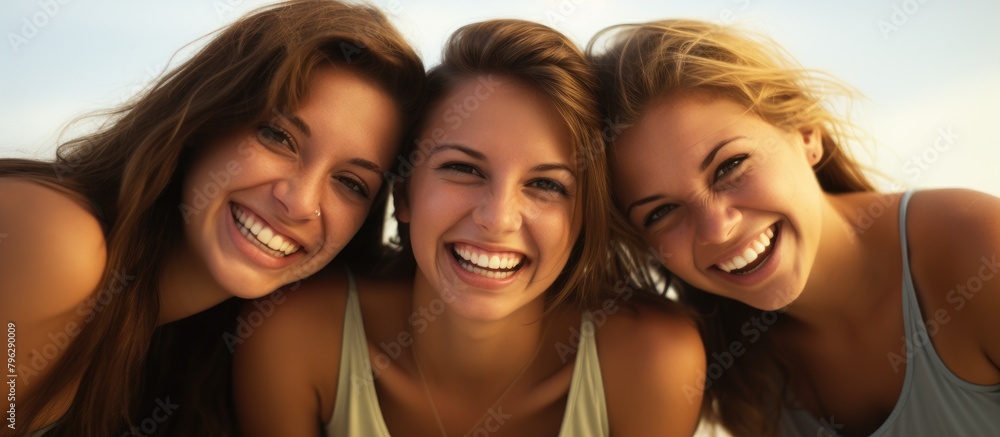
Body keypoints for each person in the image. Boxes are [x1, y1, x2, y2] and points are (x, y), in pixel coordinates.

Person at [234, 18, 705, 437]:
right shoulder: (294, 337)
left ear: (584, 218)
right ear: (403, 193)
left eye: (546, 184)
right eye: (464, 169)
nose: (497, 218)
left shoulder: (653, 362)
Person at [0, 1, 425, 435]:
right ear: (205, 117)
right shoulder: (58, 240)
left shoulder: (214, 348)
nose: (299, 203)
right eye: (278, 137)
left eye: (351, 183)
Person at [588, 19, 1000, 437]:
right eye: (661, 212)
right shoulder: (733, 370)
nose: (717, 229)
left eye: (730, 166)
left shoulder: (980, 248)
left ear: (806, 133)